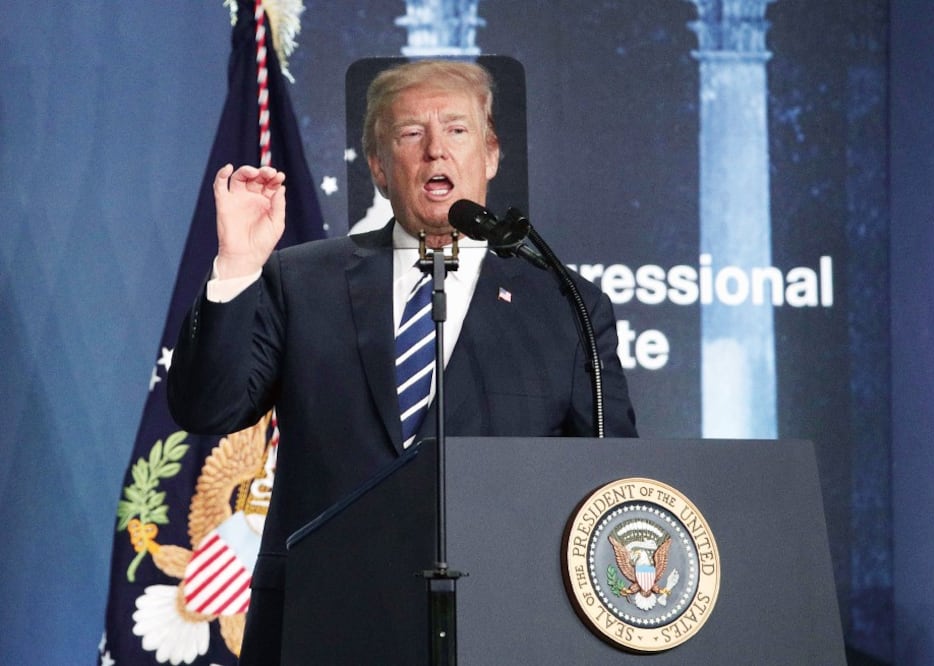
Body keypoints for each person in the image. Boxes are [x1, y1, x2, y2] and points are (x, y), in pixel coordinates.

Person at [167, 58, 636, 664]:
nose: (436, 149)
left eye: (457, 130)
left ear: (490, 156)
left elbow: (611, 483)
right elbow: (209, 408)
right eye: (411, 133)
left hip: (499, 625)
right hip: (323, 621)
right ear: (380, 168)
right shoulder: (301, 279)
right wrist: (235, 266)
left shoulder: (564, 305)